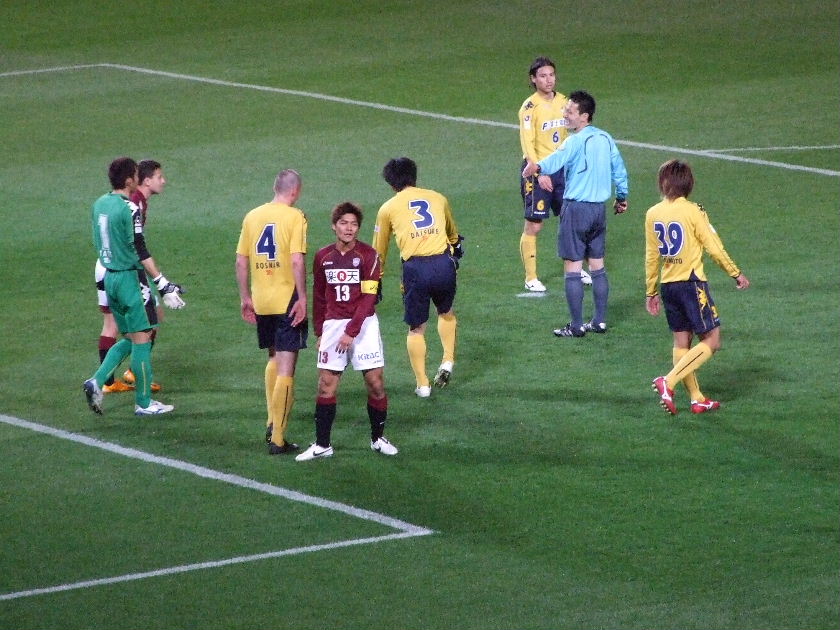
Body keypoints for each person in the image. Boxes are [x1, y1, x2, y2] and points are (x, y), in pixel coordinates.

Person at [645, 159, 750, 415]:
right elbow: (713, 246)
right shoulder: (693, 211)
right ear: (688, 184)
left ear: (663, 183)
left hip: (668, 285)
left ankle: (696, 398)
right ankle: (668, 381)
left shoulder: (652, 213)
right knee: (712, 341)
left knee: (681, 343)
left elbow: (651, 256)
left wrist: (651, 291)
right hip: (691, 284)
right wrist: (735, 273)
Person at [83, 157, 185, 416]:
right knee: (143, 338)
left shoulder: (100, 203)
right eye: (137, 174)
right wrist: (162, 283)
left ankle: (97, 381)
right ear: (129, 180)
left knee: (129, 337)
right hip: (130, 279)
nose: (139, 178)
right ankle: (144, 403)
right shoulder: (129, 208)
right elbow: (139, 249)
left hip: (109, 277)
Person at [296, 202, 398, 461]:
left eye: (353, 224)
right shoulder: (323, 257)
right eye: (343, 223)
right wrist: (319, 331)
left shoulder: (369, 255)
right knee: (326, 386)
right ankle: (322, 445)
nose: (349, 228)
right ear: (334, 226)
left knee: (375, 384)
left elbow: (369, 298)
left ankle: (378, 439)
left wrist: (351, 331)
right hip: (333, 327)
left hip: (364, 326)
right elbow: (320, 296)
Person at [522, 90, 629, 337]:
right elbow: (619, 169)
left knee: (572, 268)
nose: (565, 114)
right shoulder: (605, 138)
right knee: (597, 266)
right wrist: (622, 197)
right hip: (598, 211)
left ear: (584, 116)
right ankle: (599, 321)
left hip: (576, 210)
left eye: (570, 111)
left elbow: (555, 160)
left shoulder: (573, 141)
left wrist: (536, 167)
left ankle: (577, 325)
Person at [373, 157, 463, 398]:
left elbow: (379, 251)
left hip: (416, 269)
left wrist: (375, 280)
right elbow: (453, 233)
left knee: (417, 328)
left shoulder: (387, 208)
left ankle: (423, 385)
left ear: (391, 183)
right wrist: (455, 247)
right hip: (443, 264)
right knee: (446, 312)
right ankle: (447, 360)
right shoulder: (438, 197)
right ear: (414, 176)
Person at [236, 169, 308, 455]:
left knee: (273, 357)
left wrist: (245, 297)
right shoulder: (295, 216)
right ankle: (278, 438)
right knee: (287, 367)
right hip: (287, 297)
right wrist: (303, 297)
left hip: (261, 299)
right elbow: (297, 261)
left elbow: (241, 261)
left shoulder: (252, 216)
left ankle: (270, 418)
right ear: (295, 191)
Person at [517, 56, 590, 293]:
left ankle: (575, 268)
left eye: (551, 75)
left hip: (563, 170)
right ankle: (530, 277)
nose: (548, 80)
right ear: (533, 79)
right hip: (537, 171)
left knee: (570, 220)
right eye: (542, 76)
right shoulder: (529, 108)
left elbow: (574, 134)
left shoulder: (565, 102)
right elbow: (527, 144)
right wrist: (539, 173)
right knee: (534, 225)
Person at [95, 159, 168, 394]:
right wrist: (160, 281)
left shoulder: (110, 202)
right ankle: (121, 380)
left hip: (108, 265)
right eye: (159, 177)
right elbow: (137, 247)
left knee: (127, 323)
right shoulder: (132, 203)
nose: (164, 181)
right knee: (144, 324)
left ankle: (107, 381)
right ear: (142, 180)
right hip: (122, 269)